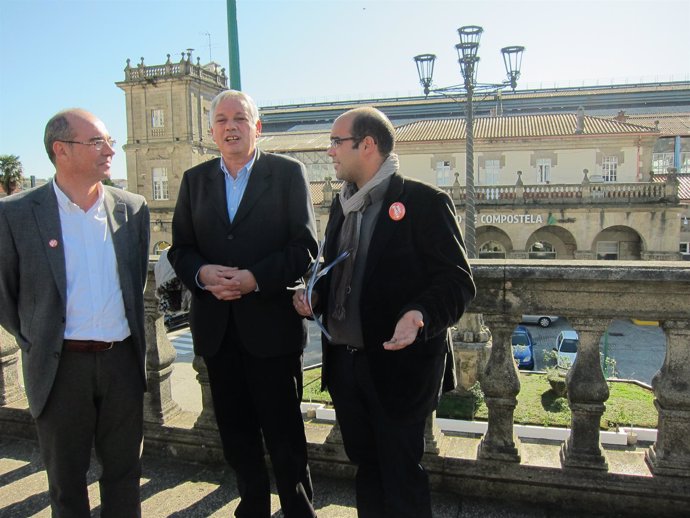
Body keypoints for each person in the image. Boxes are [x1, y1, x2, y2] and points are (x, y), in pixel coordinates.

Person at [293, 107, 476, 518]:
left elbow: (458, 282)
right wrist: (315, 295)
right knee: (367, 470)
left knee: (402, 477)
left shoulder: (424, 202)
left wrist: (418, 314)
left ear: (368, 145)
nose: (330, 152)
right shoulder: (342, 205)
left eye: (336, 142)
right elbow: (333, 268)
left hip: (400, 369)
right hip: (346, 366)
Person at [168, 90, 318, 518]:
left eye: (239, 118)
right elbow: (180, 249)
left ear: (257, 127)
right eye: (220, 119)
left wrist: (255, 279)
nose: (229, 126)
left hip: (270, 328)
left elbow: (304, 246)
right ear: (212, 129)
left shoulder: (288, 173)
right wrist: (202, 275)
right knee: (235, 433)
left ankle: (298, 510)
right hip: (218, 329)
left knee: (285, 434)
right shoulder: (194, 181)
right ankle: (251, 506)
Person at [0, 109, 150, 517]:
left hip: (121, 362)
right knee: (66, 484)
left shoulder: (132, 209)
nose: (110, 150)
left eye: (110, 141)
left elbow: (134, 283)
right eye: (97, 142)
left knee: (124, 474)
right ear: (60, 150)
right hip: (59, 367)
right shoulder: (15, 214)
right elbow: (6, 295)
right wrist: (35, 337)